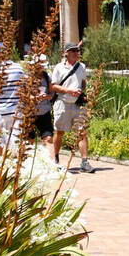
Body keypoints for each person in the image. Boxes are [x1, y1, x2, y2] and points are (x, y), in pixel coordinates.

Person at [49, 41, 93, 172]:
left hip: (77, 104)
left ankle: (84, 161)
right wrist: (69, 91)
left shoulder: (82, 67)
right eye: (73, 51)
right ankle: (55, 159)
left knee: (82, 131)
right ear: (66, 53)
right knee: (60, 132)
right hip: (62, 103)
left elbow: (83, 82)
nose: (76, 53)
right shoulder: (58, 68)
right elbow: (54, 86)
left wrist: (80, 92)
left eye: (77, 51)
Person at [30, 53, 54, 142]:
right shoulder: (27, 77)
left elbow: (51, 94)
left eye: (42, 66)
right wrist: (33, 97)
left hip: (44, 112)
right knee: (29, 139)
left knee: (48, 137)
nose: (41, 68)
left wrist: (45, 96)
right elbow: (23, 94)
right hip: (30, 112)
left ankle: (50, 156)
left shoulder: (47, 77)